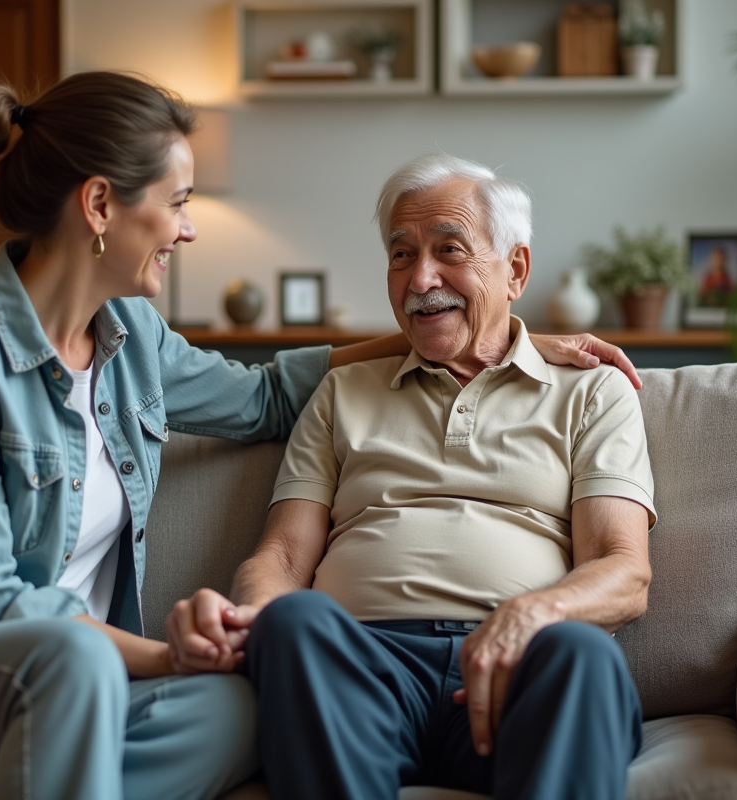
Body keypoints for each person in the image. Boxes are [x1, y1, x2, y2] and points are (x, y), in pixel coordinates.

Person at [0, 73, 641, 800]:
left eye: (448, 256)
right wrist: (165, 658)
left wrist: (478, 330)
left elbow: (266, 397)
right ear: (99, 206)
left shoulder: (130, 338)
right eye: (179, 203)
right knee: (89, 666)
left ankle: (42, 768)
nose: (189, 228)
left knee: (241, 709)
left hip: (68, 682)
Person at [166, 154, 657, 800]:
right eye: (402, 256)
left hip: (515, 668)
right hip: (363, 670)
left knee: (583, 655)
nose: (422, 278)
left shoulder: (592, 393)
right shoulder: (342, 393)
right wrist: (259, 616)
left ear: (515, 269)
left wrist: (532, 613)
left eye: (449, 250)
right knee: (293, 621)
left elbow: (625, 570)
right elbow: (281, 556)